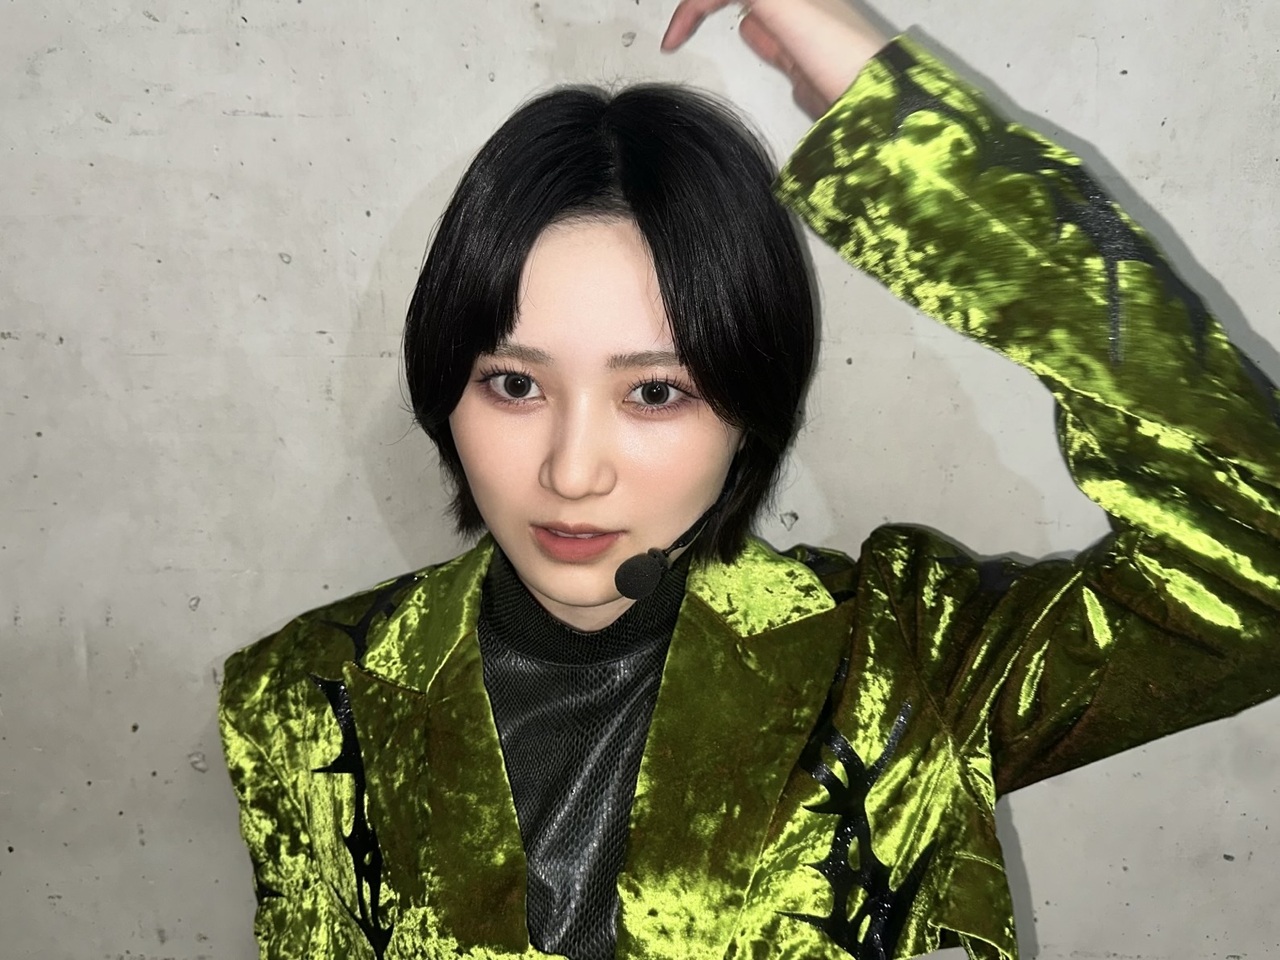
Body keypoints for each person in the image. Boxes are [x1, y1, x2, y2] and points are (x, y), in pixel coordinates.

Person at [218, 1, 1280, 958]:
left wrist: (910, 142)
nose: (571, 472)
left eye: (654, 393)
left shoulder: (892, 660)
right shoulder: (309, 693)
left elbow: (1258, 563)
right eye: (513, 383)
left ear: (747, 406)